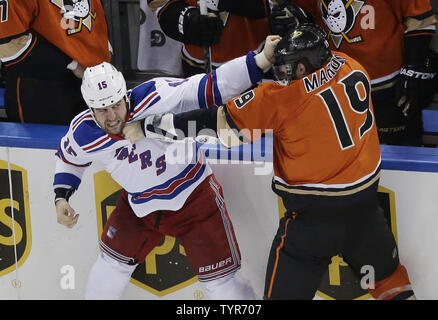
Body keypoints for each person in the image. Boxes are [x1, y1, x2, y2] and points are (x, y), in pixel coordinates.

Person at [135, 24, 416, 300]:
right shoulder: (352, 66)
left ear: (303, 67)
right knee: (392, 287)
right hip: (365, 213)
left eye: (287, 66)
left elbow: (217, 127)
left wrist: (152, 126)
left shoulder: (282, 99)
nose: (280, 73)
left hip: (312, 224)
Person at [53, 36, 280, 299]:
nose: (112, 116)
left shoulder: (157, 95)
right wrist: (61, 197)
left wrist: (261, 60)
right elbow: (70, 159)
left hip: (194, 199)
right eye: (102, 110)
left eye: (115, 104)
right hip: (138, 207)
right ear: (90, 109)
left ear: (124, 95)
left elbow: (212, 85)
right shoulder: (84, 131)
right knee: (109, 267)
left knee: (222, 283)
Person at [286, 0, 438, 146]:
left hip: (389, 89)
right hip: (332, 88)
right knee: (335, 153)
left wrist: (413, 67)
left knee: (401, 155)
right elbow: (300, 11)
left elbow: (420, 19)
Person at [0, 0, 111, 125]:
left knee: (95, 139)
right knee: (54, 142)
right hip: (43, 88)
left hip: (93, 78)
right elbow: (8, 45)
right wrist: (72, 65)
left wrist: (104, 48)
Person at [151, 0, 273, 76]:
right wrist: (188, 21)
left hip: (259, 57)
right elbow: (160, 3)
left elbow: (278, 4)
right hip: (199, 65)